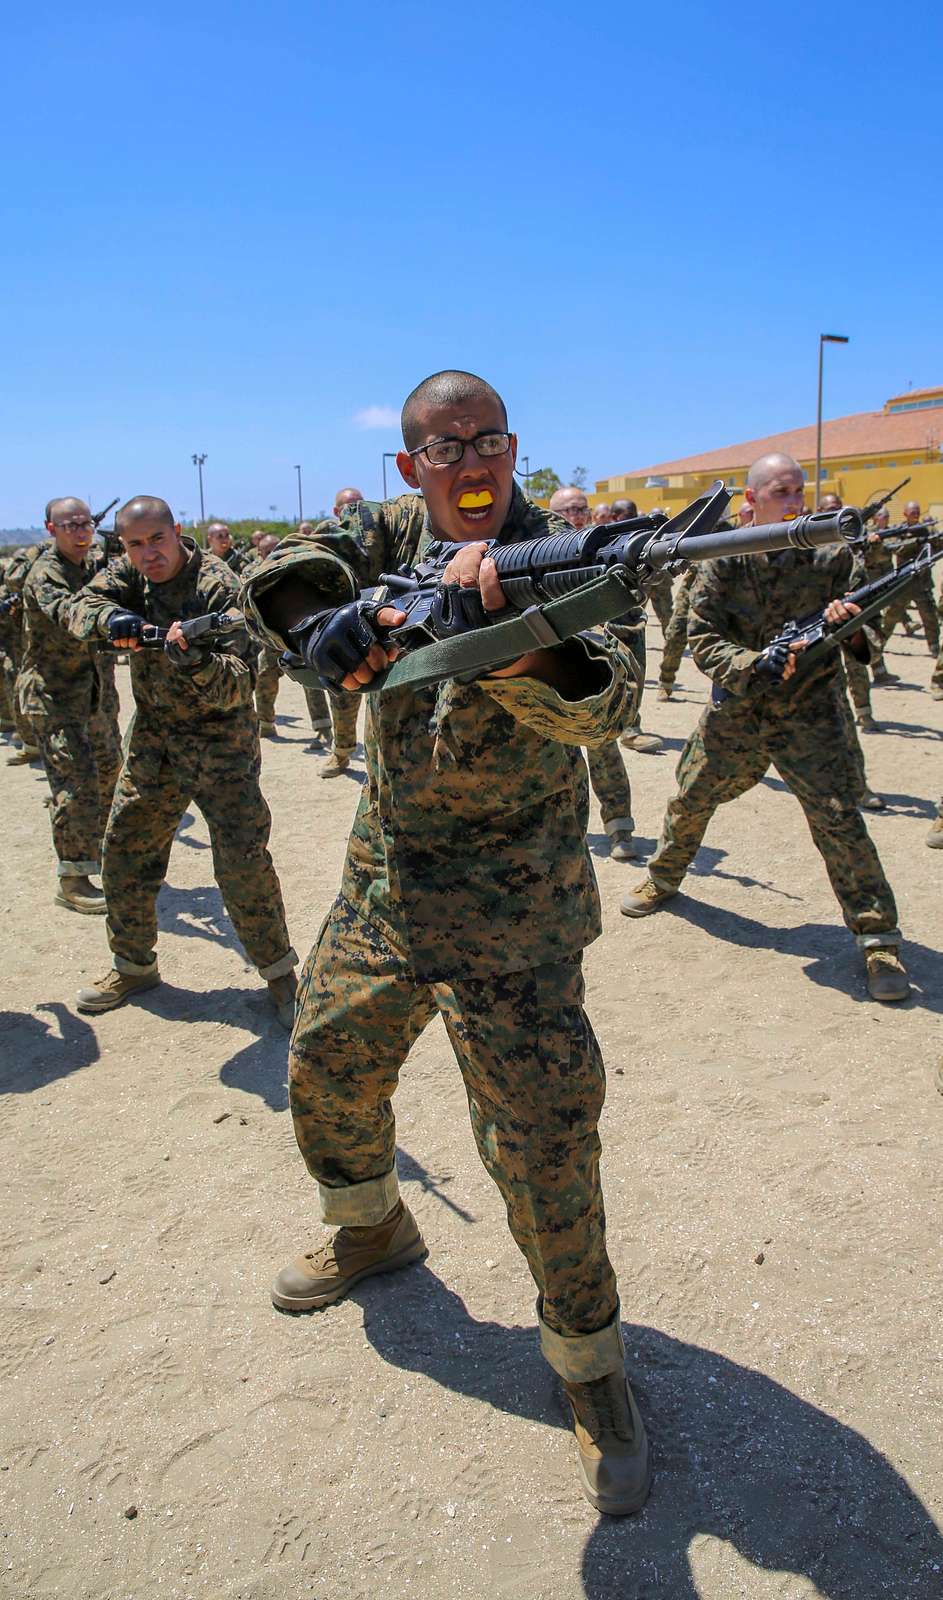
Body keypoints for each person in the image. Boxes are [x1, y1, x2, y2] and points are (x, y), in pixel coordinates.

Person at [244, 370, 650, 1516]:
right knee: (324, 1065)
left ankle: (589, 1362)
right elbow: (272, 574)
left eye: (493, 442)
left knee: (543, 1143)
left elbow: (603, 705)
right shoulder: (379, 533)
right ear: (410, 462)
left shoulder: (561, 555)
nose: (474, 464)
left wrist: (511, 643)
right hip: (387, 882)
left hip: (516, 908)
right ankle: (371, 1225)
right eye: (448, 446)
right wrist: (323, 627)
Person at [620, 452, 910, 1004]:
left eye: (800, 492)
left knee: (838, 819)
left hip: (812, 710)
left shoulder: (831, 554)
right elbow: (702, 636)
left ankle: (877, 937)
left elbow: (864, 641)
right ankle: (663, 877)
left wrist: (848, 630)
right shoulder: (724, 555)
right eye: (783, 493)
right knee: (691, 796)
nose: (796, 502)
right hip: (741, 706)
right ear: (752, 500)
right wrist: (754, 665)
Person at [65, 496, 298, 1026]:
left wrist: (196, 664)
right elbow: (79, 609)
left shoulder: (217, 585)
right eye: (135, 545)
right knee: (125, 850)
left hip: (222, 745)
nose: (148, 555)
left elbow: (243, 681)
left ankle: (280, 973)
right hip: (155, 742)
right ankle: (133, 964)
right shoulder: (128, 575)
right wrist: (114, 619)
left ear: (177, 532)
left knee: (242, 862)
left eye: (157, 540)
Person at [19, 498, 122, 911]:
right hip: (54, 697)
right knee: (75, 785)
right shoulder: (46, 573)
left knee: (110, 777)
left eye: (86, 524)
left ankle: (101, 859)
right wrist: (111, 619)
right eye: (71, 525)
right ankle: (73, 879)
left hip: (94, 695)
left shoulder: (94, 564)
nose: (81, 532)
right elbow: (69, 613)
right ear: (51, 529)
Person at [549, 487, 638, 858]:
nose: (577, 514)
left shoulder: (601, 549)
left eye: (582, 508)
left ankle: (619, 828)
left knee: (603, 748)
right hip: (549, 668)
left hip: (591, 663)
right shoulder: (534, 551)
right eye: (568, 509)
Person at [252, 534, 334, 743]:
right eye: (267, 551)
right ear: (260, 554)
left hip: (297, 639)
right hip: (270, 642)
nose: (272, 554)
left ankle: (323, 727)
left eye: (275, 549)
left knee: (310, 682)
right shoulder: (252, 575)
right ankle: (266, 723)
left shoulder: (292, 571)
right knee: (264, 679)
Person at [880, 501, 940, 658]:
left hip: (922, 582)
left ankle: (934, 647)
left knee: (930, 617)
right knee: (891, 617)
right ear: (905, 513)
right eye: (913, 511)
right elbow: (894, 547)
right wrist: (916, 542)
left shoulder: (927, 530)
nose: (916, 514)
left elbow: (937, 546)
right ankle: (878, 645)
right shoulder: (899, 531)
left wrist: (935, 540)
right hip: (903, 582)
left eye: (918, 511)